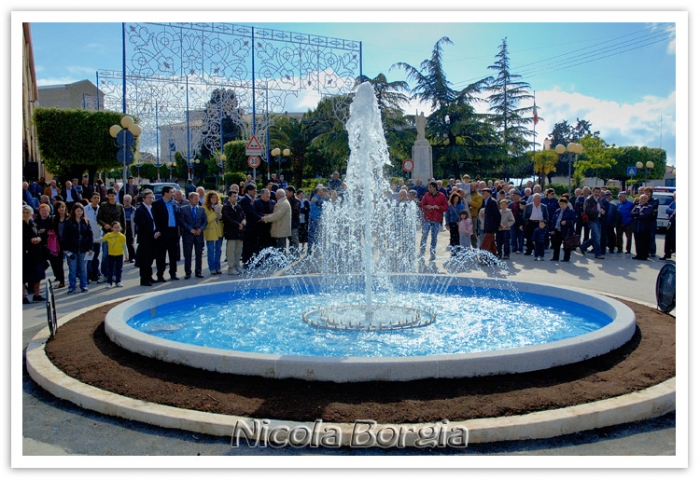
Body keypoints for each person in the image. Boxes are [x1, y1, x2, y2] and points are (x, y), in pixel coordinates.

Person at [61, 203, 94, 294]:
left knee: (83, 268)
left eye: (81, 210)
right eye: (77, 210)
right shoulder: (68, 222)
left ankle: (84, 285)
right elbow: (65, 236)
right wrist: (66, 248)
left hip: (83, 249)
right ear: (74, 211)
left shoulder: (85, 222)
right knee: (72, 269)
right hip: (72, 249)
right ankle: (72, 286)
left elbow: (90, 235)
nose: (79, 212)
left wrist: (90, 248)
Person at [152, 185, 181, 281]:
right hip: (163, 232)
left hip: (173, 232)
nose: (174, 194)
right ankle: (160, 275)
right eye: (172, 192)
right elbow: (155, 219)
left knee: (173, 254)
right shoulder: (156, 204)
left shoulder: (175, 204)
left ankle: (173, 273)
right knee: (161, 255)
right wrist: (158, 230)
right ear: (166, 193)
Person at [34, 203, 65, 288]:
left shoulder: (52, 219)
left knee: (56, 263)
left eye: (46, 211)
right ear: (39, 212)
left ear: (48, 211)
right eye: (42, 211)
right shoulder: (36, 220)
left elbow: (55, 229)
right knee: (41, 263)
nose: (44, 212)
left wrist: (46, 230)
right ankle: (34, 283)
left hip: (52, 243)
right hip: (40, 244)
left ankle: (60, 278)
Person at [179, 192, 208, 279]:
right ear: (190, 199)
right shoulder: (183, 209)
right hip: (188, 235)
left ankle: (198, 271)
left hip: (199, 235)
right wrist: (190, 229)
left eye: (198, 198)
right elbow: (182, 221)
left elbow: (205, 221)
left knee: (199, 254)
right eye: (195, 198)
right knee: (188, 254)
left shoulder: (201, 209)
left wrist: (201, 229)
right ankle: (188, 272)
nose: (197, 200)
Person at [418, 181, 448, 261]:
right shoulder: (426, 195)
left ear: (435, 187)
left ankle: (432, 254)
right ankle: (421, 253)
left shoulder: (441, 196)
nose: (429, 189)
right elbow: (421, 205)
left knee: (434, 237)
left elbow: (446, 207)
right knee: (424, 236)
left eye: (430, 187)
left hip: (436, 219)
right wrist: (426, 206)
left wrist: (439, 207)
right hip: (427, 219)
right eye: (428, 187)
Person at [134, 190, 158, 286]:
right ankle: (144, 279)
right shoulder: (140, 210)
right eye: (149, 198)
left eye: (152, 197)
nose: (151, 199)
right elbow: (142, 224)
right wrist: (152, 233)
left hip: (154, 237)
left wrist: (157, 231)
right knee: (145, 260)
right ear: (143, 199)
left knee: (151, 258)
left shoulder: (152, 208)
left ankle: (149, 276)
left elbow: (156, 221)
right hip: (145, 238)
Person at [23, 205, 46, 303]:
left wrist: (39, 239)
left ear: (31, 214)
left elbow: (39, 235)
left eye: (27, 212)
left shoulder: (34, 224)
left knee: (37, 275)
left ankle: (36, 294)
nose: (25, 214)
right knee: (23, 277)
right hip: (24, 254)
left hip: (36, 254)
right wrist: (30, 241)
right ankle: (22, 296)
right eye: (23, 212)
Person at [579, 187, 608, 259]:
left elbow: (602, 207)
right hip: (591, 220)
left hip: (598, 219)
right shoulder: (589, 199)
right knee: (597, 236)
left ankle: (583, 246)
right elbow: (587, 210)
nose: (597, 193)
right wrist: (598, 211)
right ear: (592, 192)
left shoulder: (599, 199)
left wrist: (603, 211)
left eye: (598, 192)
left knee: (596, 236)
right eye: (595, 192)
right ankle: (598, 253)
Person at [222, 189, 245, 275]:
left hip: (239, 232)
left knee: (238, 249)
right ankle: (231, 267)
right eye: (234, 196)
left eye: (236, 196)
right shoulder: (226, 207)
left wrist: (243, 222)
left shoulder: (239, 206)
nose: (235, 198)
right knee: (231, 250)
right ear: (229, 197)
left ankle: (237, 265)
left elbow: (243, 215)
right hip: (231, 232)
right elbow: (227, 219)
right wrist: (237, 224)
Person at [202, 191, 224, 275]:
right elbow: (207, 220)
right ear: (209, 199)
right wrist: (215, 213)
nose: (214, 199)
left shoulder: (220, 207)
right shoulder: (204, 208)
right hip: (210, 231)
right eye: (212, 197)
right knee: (211, 250)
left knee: (218, 250)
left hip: (219, 231)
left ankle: (218, 267)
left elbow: (223, 219)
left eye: (215, 197)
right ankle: (212, 268)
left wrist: (220, 216)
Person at [102, 221, 128, 288]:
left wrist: (126, 254)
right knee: (110, 269)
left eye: (118, 227)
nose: (117, 229)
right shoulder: (109, 235)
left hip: (119, 254)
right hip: (111, 254)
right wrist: (93, 240)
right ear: (112, 228)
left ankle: (118, 281)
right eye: (115, 227)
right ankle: (109, 282)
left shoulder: (122, 236)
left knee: (119, 269)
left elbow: (124, 246)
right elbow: (102, 240)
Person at [550, 197, 577, 262]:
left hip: (566, 231)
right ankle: (555, 257)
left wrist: (566, 222)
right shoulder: (557, 211)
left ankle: (566, 258)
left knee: (567, 245)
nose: (561, 205)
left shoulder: (571, 211)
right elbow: (553, 220)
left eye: (563, 204)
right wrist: (553, 229)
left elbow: (574, 220)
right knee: (556, 245)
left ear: (566, 204)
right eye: (560, 204)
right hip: (557, 230)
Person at [84, 192, 103, 282]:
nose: (96, 199)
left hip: (98, 236)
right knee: (88, 257)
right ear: (91, 199)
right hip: (88, 237)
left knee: (96, 257)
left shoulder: (101, 209)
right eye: (94, 198)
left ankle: (95, 274)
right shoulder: (85, 209)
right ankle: (88, 275)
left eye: (98, 198)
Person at [631, 194, 655, 260]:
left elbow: (646, 215)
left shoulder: (649, 207)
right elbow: (632, 214)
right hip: (637, 228)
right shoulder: (637, 206)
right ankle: (638, 254)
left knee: (645, 242)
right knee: (637, 242)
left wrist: (637, 216)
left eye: (645, 198)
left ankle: (644, 255)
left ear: (647, 200)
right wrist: (639, 214)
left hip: (645, 228)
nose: (643, 200)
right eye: (642, 198)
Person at [307, 186, 327, 255]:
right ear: (318, 192)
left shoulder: (321, 198)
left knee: (317, 235)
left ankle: (315, 250)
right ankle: (309, 250)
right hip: (314, 219)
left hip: (318, 219)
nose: (322, 192)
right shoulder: (315, 198)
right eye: (321, 191)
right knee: (312, 235)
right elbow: (321, 204)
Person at [644, 187, 660, 257]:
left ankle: (652, 251)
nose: (647, 193)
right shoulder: (643, 199)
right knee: (645, 237)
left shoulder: (655, 200)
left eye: (648, 192)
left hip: (652, 221)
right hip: (644, 221)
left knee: (651, 236)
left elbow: (652, 207)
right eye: (645, 192)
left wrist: (646, 206)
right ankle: (646, 251)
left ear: (651, 193)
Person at [285, 186, 301, 254]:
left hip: (294, 223)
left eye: (287, 192)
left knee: (294, 239)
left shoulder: (296, 201)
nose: (286, 193)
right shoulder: (286, 200)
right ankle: (291, 253)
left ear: (291, 192)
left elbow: (295, 212)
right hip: (287, 223)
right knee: (290, 239)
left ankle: (296, 254)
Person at [122, 194, 137, 263]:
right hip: (123, 227)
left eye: (128, 201)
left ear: (130, 201)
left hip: (131, 227)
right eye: (125, 201)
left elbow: (136, 220)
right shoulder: (121, 208)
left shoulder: (133, 209)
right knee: (124, 243)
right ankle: (127, 256)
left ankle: (132, 257)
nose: (126, 202)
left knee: (130, 243)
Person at [662, 192, 676, 260]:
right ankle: (667, 254)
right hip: (672, 222)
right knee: (668, 238)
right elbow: (667, 210)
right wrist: (674, 211)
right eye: (674, 196)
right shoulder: (673, 203)